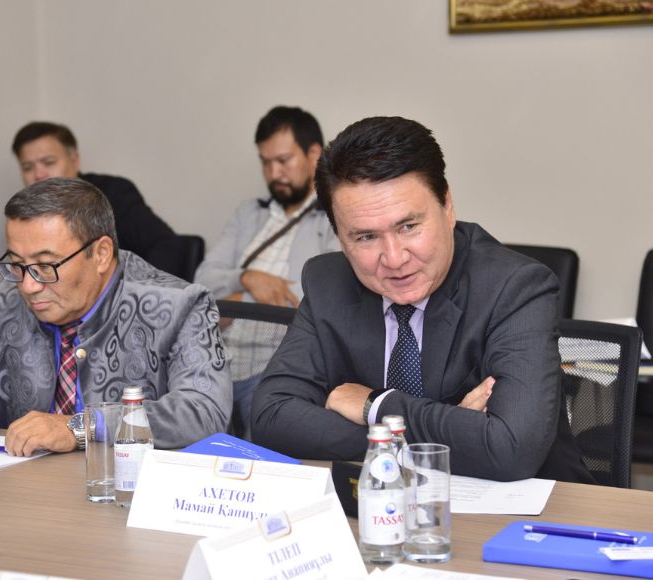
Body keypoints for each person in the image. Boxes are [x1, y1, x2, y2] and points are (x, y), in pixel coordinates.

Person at [251, 116, 591, 483]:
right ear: (339, 237)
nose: (394, 258)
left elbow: (511, 449)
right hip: (387, 503)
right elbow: (271, 415)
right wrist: (436, 435)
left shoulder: (514, 288)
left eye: (408, 227)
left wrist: (374, 404)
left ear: (447, 205)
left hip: (536, 508)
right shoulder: (329, 282)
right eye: (366, 237)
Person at [0, 177, 231, 455]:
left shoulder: (179, 305)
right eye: (16, 264)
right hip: (27, 486)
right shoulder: (8, 299)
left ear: (101, 254)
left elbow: (203, 411)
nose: (28, 286)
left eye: (45, 266)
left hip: (129, 489)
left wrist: (81, 427)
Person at [194, 106, 339, 436]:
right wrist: (248, 279)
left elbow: (318, 295)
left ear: (314, 154)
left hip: (279, 366)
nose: (274, 173)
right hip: (215, 361)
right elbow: (203, 279)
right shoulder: (249, 213)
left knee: (261, 441)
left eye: (283, 160)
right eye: (265, 162)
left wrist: (234, 302)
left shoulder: (334, 215)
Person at [12, 121, 187, 277]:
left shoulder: (114, 193)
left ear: (74, 160)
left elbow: (167, 245)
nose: (38, 175)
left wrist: (135, 292)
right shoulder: (24, 214)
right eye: (27, 167)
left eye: (49, 162)